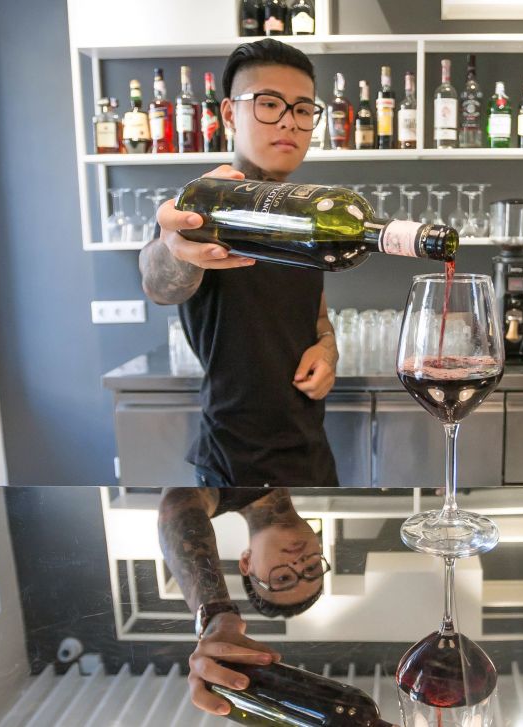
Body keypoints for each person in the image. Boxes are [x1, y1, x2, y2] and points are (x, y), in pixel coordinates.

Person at [139, 39, 339, 487]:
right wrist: (173, 243)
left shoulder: (309, 216)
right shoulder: (203, 209)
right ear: (229, 113)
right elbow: (159, 283)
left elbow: (317, 314)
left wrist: (327, 346)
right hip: (232, 468)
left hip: (313, 457)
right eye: (269, 103)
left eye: (303, 109)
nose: (289, 120)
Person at [158, 486, 330, 716]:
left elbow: (176, 506)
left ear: (247, 563)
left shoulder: (218, 489)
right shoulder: (317, 477)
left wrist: (217, 614)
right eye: (311, 568)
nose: (299, 565)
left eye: (283, 577)